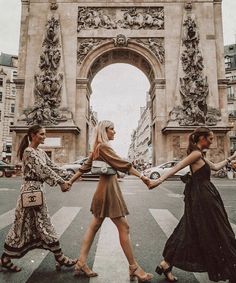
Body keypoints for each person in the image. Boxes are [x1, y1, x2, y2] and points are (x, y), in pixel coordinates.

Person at [68, 120, 153, 282]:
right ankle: (133, 267)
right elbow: (124, 165)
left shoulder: (98, 147)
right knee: (124, 227)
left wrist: (70, 182)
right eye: (112, 129)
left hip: (104, 189)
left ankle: (81, 262)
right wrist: (144, 178)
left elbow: (84, 167)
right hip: (108, 192)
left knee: (94, 226)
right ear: (104, 131)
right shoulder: (104, 147)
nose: (115, 131)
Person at [148, 127, 236, 282]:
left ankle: (166, 263)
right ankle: (230, 269)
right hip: (204, 199)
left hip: (206, 196)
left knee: (189, 230)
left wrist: (231, 158)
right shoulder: (195, 154)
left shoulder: (199, 154)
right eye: (210, 138)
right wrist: (158, 180)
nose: (212, 141)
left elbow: (215, 167)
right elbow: (177, 167)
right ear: (201, 138)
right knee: (218, 230)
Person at [0, 125, 75, 272]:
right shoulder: (29, 152)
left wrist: (68, 176)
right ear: (33, 135)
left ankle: (5, 258)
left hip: (37, 191)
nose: (44, 137)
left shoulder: (40, 152)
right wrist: (61, 182)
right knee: (42, 223)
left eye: (44, 134)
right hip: (31, 192)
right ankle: (59, 256)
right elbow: (43, 170)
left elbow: (52, 166)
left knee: (21, 226)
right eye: (42, 134)